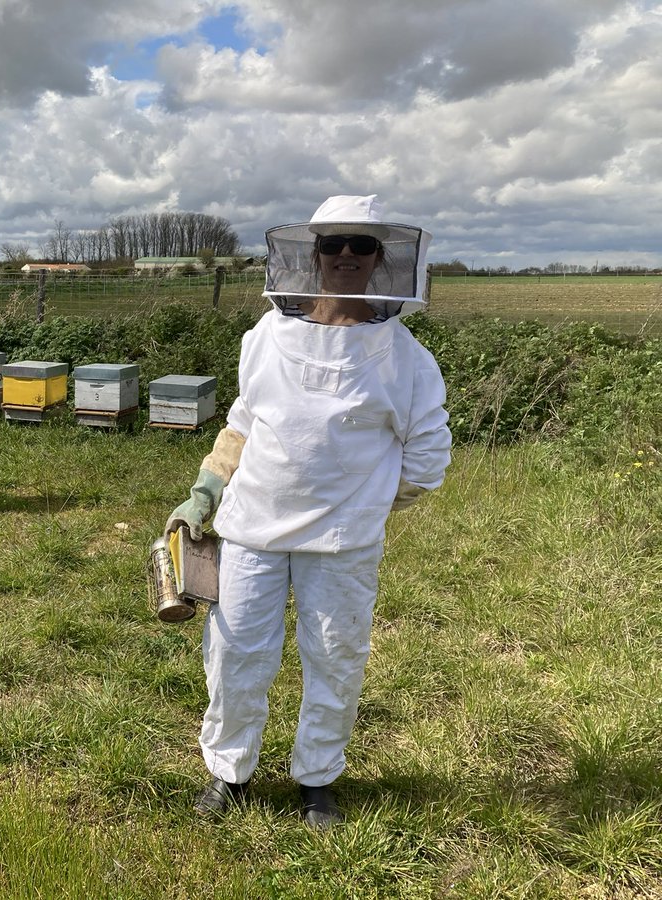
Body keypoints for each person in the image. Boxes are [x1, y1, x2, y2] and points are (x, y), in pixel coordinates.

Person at [166, 194, 451, 828]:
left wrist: (366, 505)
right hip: (250, 528)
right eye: (333, 245)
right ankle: (228, 773)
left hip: (344, 542)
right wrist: (206, 492)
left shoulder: (406, 358)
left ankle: (317, 778)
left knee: (335, 654)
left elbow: (427, 456)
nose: (346, 256)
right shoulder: (265, 337)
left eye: (361, 246)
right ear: (312, 255)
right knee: (236, 652)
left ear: (382, 260)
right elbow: (243, 423)